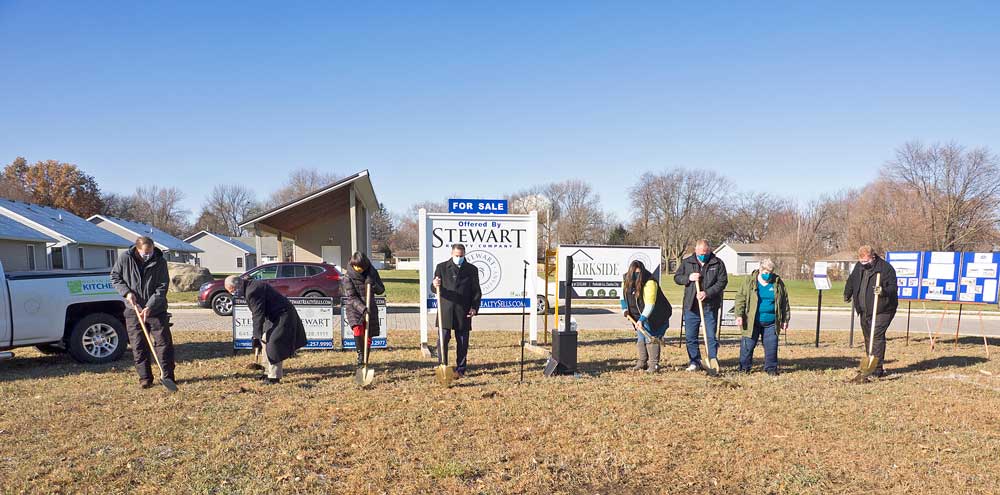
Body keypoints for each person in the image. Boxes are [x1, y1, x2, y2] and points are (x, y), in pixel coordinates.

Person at [110, 236, 175, 390]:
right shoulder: (125, 259)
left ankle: (167, 376)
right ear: (137, 250)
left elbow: (162, 286)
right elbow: (115, 277)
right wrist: (127, 293)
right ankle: (145, 378)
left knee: (163, 344)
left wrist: (150, 306)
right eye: (145, 253)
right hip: (133, 310)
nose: (148, 255)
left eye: (150, 252)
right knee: (138, 345)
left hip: (156, 310)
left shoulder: (160, 261)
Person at [225, 274, 307, 384]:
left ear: (238, 285)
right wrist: (259, 337)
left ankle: (274, 377)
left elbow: (258, 314)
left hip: (283, 315)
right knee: (264, 339)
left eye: (232, 291)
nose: (232, 294)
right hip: (273, 316)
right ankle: (267, 372)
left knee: (274, 343)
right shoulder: (248, 286)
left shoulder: (252, 290)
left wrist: (255, 336)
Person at [673, 239, 728, 372]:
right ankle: (695, 361)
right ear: (695, 251)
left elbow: (722, 282)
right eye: (700, 253)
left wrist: (707, 293)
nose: (703, 255)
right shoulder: (688, 262)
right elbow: (677, 278)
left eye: (705, 252)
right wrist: (689, 278)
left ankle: (712, 359)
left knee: (710, 336)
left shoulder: (717, 263)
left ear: (709, 250)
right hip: (691, 306)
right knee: (691, 337)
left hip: (710, 306)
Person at [844, 245, 898, 378]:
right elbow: (852, 280)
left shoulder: (885, 269)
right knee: (868, 336)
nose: (864, 264)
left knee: (876, 336)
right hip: (864, 310)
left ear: (873, 257)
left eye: (866, 262)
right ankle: (869, 364)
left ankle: (877, 369)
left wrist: (883, 291)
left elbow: (893, 288)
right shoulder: (858, 267)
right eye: (861, 261)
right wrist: (847, 293)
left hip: (883, 309)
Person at [432, 243, 481, 378]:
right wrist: (434, 284)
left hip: (463, 310)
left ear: (464, 255)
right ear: (452, 254)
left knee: (462, 341)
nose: (459, 258)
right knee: (443, 339)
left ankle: (461, 369)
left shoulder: (471, 269)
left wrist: (474, 307)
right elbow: (434, 287)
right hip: (445, 310)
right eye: (456, 255)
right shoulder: (441, 267)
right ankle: (443, 365)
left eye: (461, 256)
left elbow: (477, 291)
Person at [734, 259, 790, 376]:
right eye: (765, 272)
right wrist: (739, 315)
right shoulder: (749, 281)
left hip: (771, 322)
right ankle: (744, 368)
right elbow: (740, 298)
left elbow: (784, 302)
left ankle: (771, 369)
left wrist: (785, 319)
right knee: (747, 346)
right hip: (751, 320)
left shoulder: (778, 283)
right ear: (760, 270)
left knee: (771, 346)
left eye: (770, 272)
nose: (767, 275)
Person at [620, 260, 672, 373]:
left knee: (651, 338)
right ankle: (642, 362)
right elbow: (622, 296)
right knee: (641, 337)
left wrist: (642, 319)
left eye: (638, 273)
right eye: (634, 273)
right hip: (638, 315)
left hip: (657, 314)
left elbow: (650, 304)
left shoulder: (650, 282)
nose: (636, 275)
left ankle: (654, 365)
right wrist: (625, 309)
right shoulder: (626, 279)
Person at [342, 252, 386, 367]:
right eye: (356, 266)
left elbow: (381, 290)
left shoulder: (372, 273)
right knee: (358, 330)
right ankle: (361, 355)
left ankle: (365, 359)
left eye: (361, 266)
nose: (358, 269)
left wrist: (374, 285)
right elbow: (351, 298)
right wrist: (362, 309)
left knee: (369, 333)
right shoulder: (347, 277)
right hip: (354, 308)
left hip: (370, 307)